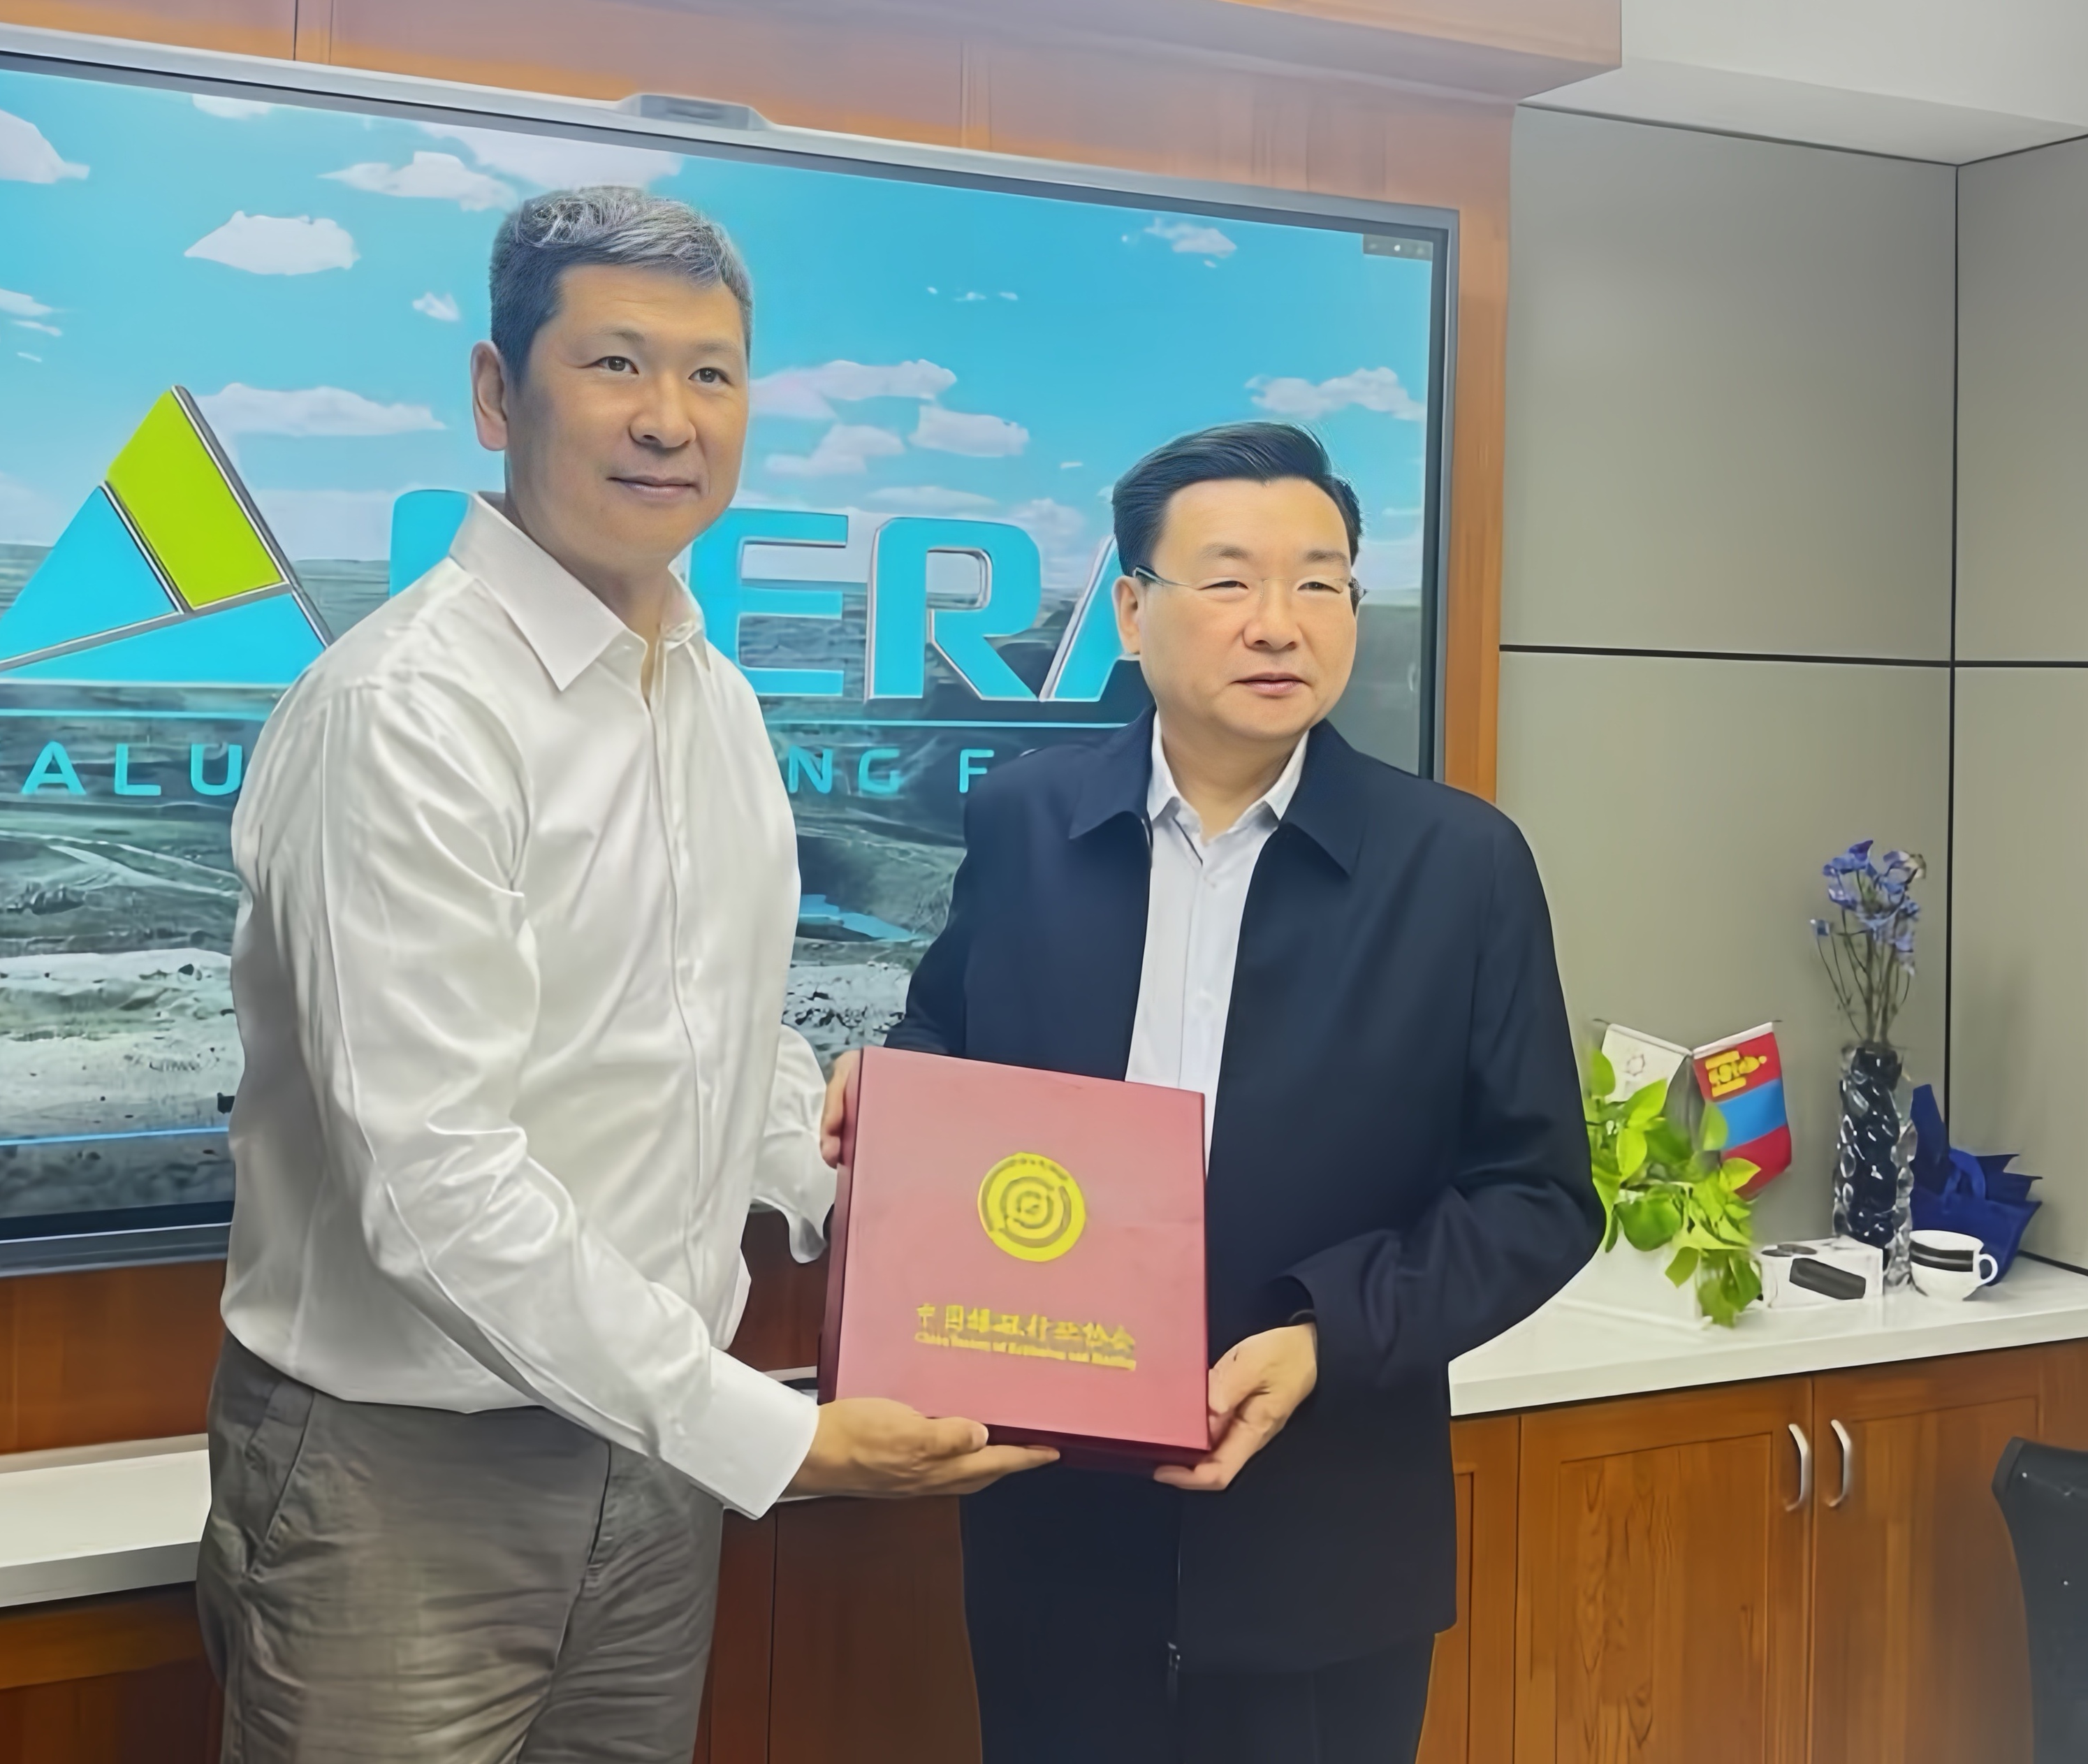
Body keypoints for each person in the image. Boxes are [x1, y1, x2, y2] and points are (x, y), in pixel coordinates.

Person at [196, 187, 1050, 1764]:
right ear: (495, 392)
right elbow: (435, 1187)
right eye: (616, 364)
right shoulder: (407, 712)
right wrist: (774, 1436)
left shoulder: (712, 694)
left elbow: (718, 1020)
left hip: (657, 1461)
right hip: (407, 1485)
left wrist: (852, 1178)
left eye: (712, 374)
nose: (671, 419)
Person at [826, 421, 1600, 1763]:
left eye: (1320, 581)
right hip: (1053, 1521)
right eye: (1231, 579)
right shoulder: (1027, 819)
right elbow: (952, 1031)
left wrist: (1327, 1335)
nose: (1279, 622)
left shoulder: (1459, 865)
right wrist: (896, 1092)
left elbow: (1537, 1195)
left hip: (1326, 1536)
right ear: (1132, 612)